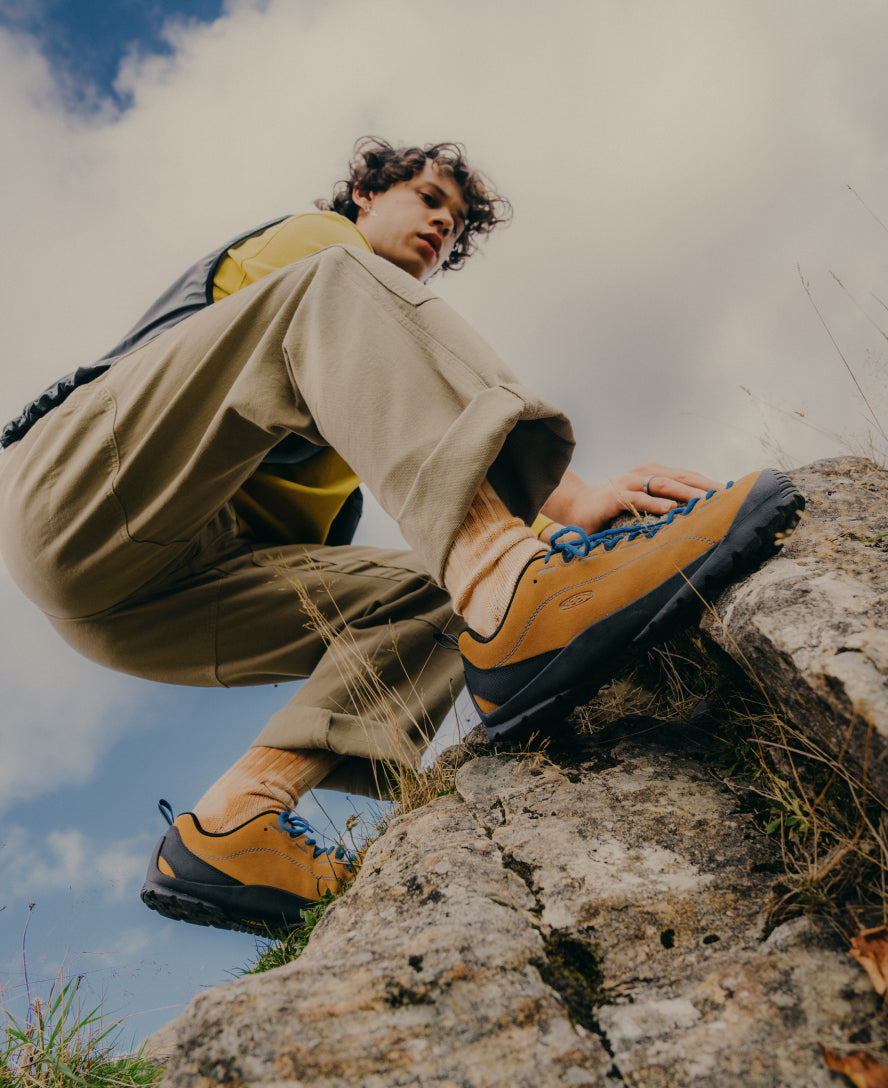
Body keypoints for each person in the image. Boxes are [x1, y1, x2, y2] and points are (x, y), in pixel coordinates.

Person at [0, 138, 803, 935]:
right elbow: (337, 308)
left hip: (144, 605)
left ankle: (237, 822)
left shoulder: (356, 367)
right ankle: (515, 591)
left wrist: (569, 537)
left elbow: (426, 457)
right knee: (344, 287)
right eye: (428, 199)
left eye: (455, 224)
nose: (443, 226)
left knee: (441, 602)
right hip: (71, 493)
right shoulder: (320, 253)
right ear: (365, 194)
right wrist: (573, 499)